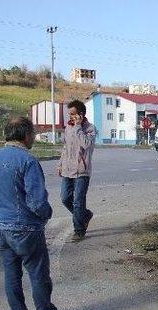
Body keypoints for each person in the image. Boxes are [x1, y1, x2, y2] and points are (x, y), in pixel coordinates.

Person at [0, 117, 70, 310]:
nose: (33, 137)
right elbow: (36, 200)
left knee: (11, 273)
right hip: (26, 227)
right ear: (25, 135)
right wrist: (45, 214)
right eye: (32, 133)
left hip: (2, 226)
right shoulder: (28, 161)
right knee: (38, 272)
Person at [58, 99, 96, 242]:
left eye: (73, 114)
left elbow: (86, 144)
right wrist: (60, 164)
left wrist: (78, 127)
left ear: (80, 114)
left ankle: (79, 231)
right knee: (65, 198)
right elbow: (65, 148)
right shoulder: (68, 128)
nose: (70, 117)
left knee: (78, 202)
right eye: (69, 114)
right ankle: (84, 215)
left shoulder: (90, 128)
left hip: (82, 171)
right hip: (67, 169)